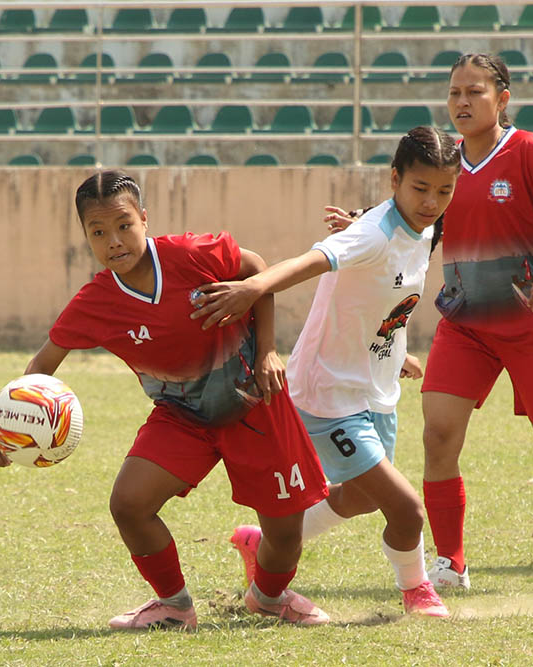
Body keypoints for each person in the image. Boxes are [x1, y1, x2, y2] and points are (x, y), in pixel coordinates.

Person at [327, 54, 533, 591]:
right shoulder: (446, 163)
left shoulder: (529, 151)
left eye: (475, 92)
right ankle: (451, 563)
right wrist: (365, 224)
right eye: (454, 93)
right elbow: (414, 220)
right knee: (438, 435)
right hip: (465, 324)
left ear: (502, 99)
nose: (462, 102)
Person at [0, 170, 332, 630]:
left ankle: (269, 598)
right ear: (86, 236)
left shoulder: (192, 254)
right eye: (98, 232)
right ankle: (174, 606)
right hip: (182, 417)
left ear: (144, 219)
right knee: (128, 504)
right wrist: (14, 431)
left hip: (256, 402)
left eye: (124, 225)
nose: (114, 240)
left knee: (286, 531)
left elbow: (255, 271)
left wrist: (269, 347)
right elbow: (42, 364)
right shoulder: (96, 301)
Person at [191, 126, 460, 617]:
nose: (431, 201)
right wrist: (252, 290)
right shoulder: (371, 235)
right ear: (395, 178)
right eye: (420, 189)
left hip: (374, 391)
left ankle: (261, 544)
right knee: (406, 509)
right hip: (330, 394)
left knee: (359, 497)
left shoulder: (425, 229)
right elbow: (309, 262)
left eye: (444, 190)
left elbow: (384, 299)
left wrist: (395, 352)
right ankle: (417, 591)